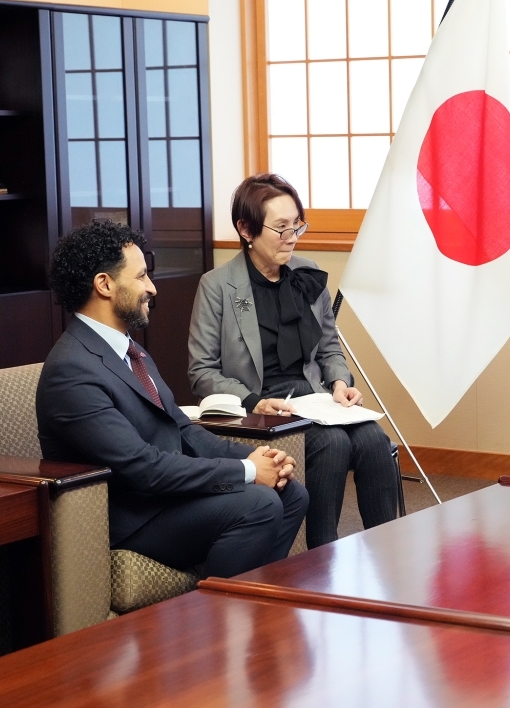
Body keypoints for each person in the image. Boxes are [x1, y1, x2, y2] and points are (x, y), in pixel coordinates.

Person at [37, 220, 308, 578]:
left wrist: (260, 459)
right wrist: (247, 472)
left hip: (164, 499)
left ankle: (255, 604)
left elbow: (185, 431)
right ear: (104, 285)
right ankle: (217, 618)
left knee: (292, 494)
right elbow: (142, 468)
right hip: (131, 517)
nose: (151, 288)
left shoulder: (130, 352)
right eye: (141, 277)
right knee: (257, 504)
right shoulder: (72, 370)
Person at [188, 173, 398, 548]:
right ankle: (321, 559)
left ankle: (390, 553)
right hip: (261, 404)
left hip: (313, 398)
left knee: (373, 441)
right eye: (280, 227)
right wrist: (253, 401)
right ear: (246, 229)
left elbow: (330, 346)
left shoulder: (306, 274)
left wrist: (339, 382)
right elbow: (201, 371)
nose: (292, 237)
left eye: (297, 226)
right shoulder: (218, 285)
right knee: (332, 445)